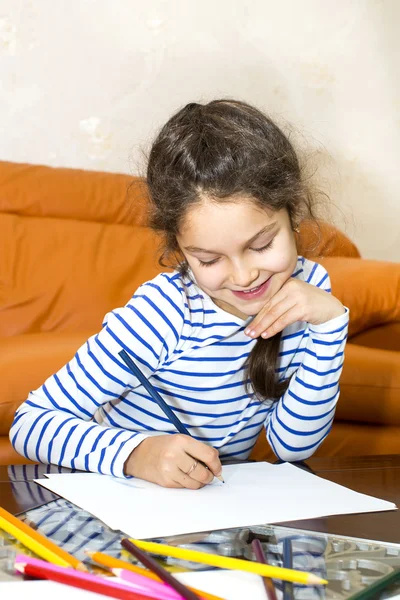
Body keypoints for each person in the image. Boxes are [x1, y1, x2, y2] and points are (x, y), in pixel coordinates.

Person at [10, 100, 348, 489]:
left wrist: (330, 326)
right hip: (127, 508)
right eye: (209, 259)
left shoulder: (310, 292)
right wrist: (137, 454)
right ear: (180, 249)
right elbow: (32, 422)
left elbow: (291, 446)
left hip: (214, 510)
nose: (244, 276)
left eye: (261, 245)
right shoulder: (164, 312)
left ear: (293, 216)